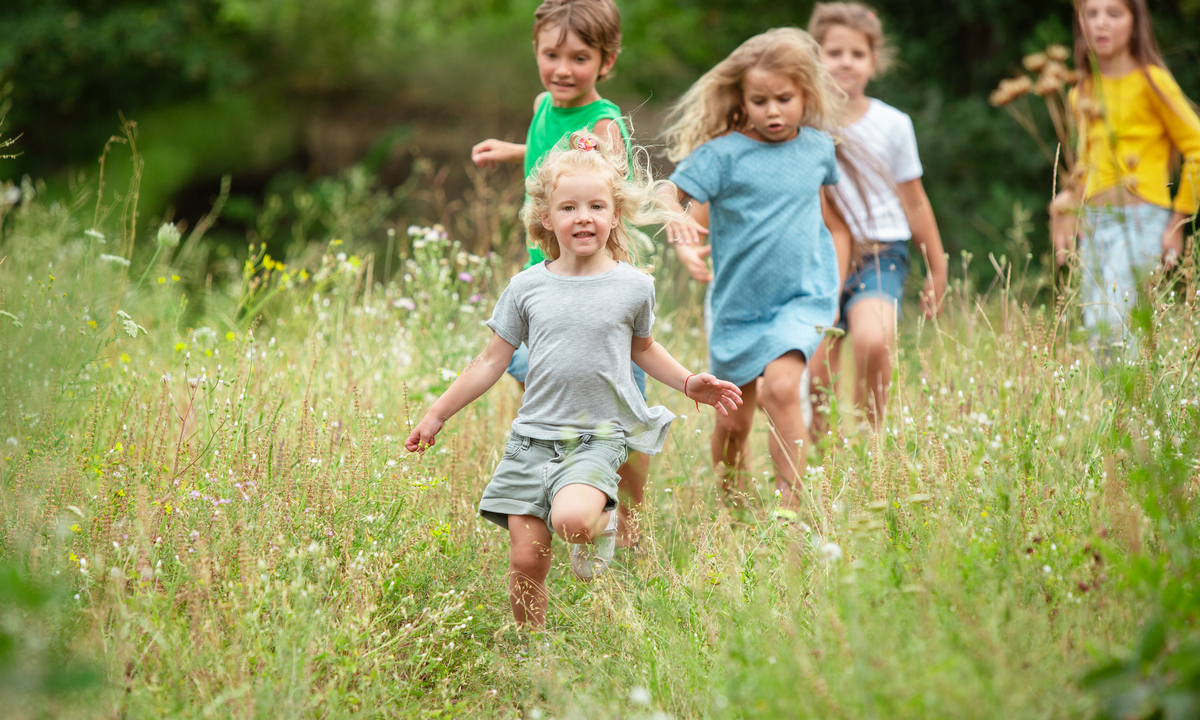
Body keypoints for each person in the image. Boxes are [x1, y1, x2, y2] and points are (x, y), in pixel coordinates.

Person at [406, 132, 743, 628]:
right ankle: (531, 647)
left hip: (597, 436)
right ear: (546, 217)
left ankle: (602, 527)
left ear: (614, 215)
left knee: (571, 521)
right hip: (531, 439)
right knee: (526, 559)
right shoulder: (526, 288)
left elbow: (643, 348)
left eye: (596, 206)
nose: (583, 216)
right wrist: (436, 414)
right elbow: (489, 361)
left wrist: (690, 383)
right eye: (568, 207)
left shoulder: (633, 285)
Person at [469, 0, 651, 546]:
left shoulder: (603, 123)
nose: (563, 69)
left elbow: (599, 179)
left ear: (607, 60)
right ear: (537, 52)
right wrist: (517, 150)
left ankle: (627, 518)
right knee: (542, 387)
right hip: (547, 282)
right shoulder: (543, 104)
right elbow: (553, 157)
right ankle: (564, 482)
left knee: (619, 413)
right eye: (552, 55)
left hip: (598, 292)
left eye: (580, 57)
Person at [660, 28, 854, 507]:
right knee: (733, 423)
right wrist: (677, 227)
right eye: (759, 100)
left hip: (802, 297)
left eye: (783, 99)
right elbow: (671, 191)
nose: (772, 110)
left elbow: (827, 215)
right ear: (740, 99)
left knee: (784, 389)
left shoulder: (818, 149)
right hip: (737, 308)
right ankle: (736, 510)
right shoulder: (722, 155)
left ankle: (794, 513)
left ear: (805, 94)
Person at [806, 2, 948, 431]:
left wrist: (937, 267)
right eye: (834, 52)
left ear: (874, 61)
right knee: (816, 371)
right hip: (817, 258)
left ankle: (871, 434)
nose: (846, 61)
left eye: (857, 53)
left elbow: (916, 200)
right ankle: (821, 457)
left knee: (874, 340)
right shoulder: (800, 121)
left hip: (880, 254)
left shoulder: (893, 124)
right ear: (815, 57)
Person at [1052, 0, 1200, 347]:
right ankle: (1116, 403)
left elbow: (1196, 145)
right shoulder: (1080, 94)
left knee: (1115, 320)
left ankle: (1136, 401)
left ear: (1136, 23)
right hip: (1093, 224)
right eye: (1091, 14)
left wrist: (1178, 221)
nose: (1101, 23)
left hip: (1141, 221)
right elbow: (1085, 166)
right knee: (1097, 331)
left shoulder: (1152, 81)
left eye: (1114, 14)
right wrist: (1065, 206)